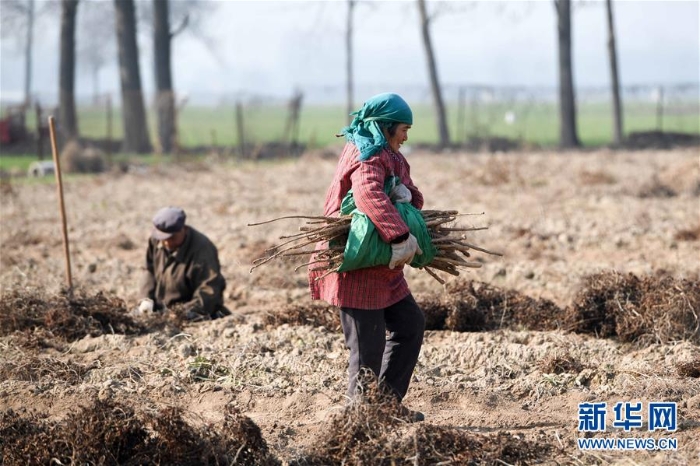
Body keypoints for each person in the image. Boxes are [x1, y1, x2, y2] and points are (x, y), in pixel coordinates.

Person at [309, 93, 426, 422]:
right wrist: (400, 234)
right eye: (403, 128)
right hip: (356, 266)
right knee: (367, 352)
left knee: (410, 325)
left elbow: (409, 190)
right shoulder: (368, 150)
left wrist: (407, 195)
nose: (406, 136)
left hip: (381, 267)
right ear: (387, 127)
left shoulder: (390, 152)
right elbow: (367, 192)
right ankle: (359, 420)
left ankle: (385, 408)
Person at [138, 206, 230, 321]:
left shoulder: (202, 249)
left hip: (195, 313)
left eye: (171, 238)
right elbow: (149, 269)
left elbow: (209, 289)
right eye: (163, 238)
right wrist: (146, 299)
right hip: (161, 308)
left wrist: (182, 313)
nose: (166, 243)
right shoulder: (156, 240)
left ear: (183, 229)